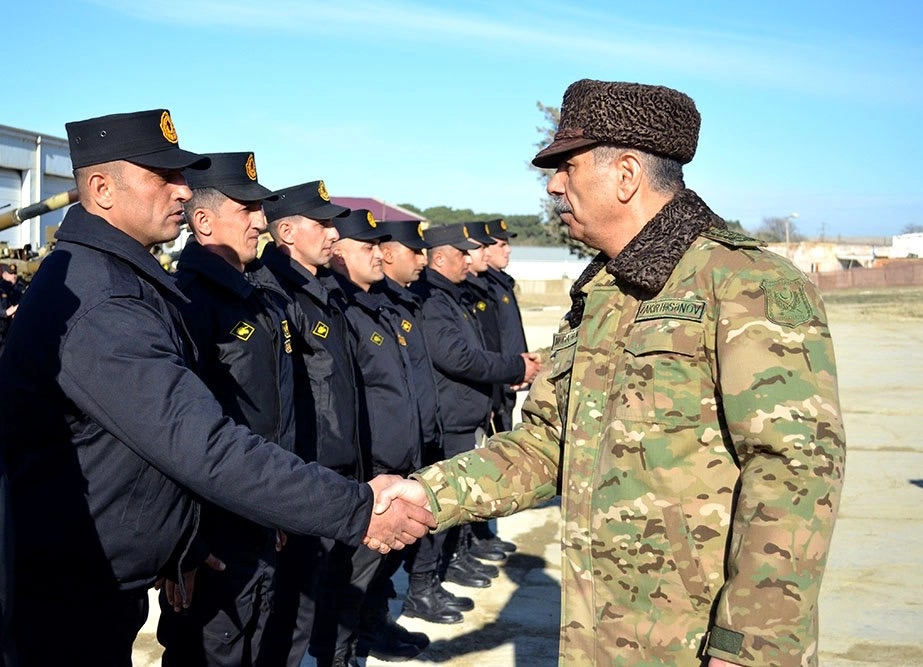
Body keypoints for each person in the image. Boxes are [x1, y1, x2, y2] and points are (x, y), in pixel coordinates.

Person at [378, 79, 846, 666]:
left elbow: (795, 470)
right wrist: (425, 492)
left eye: (566, 167)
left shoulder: (746, 283)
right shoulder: (602, 293)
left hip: (701, 644)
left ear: (626, 175)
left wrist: (749, 645)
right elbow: (550, 443)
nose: (552, 184)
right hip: (602, 638)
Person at [0, 109, 432, 667]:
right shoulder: (104, 303)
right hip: (71, 592)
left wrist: (182, 537)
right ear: (102, 189)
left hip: (105, 580)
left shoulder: (123, 283)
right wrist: (358, 508)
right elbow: (198, 442)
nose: (183, 190)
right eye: (164, 177)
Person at [156, 151, 293, 665]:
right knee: (212, 650)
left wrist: (278, 500)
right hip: (213, 532)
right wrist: (185, 539)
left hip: (257, 510)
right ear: (204, 220)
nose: (262, 221)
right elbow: (171, 432)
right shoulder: (188, 301)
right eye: (248, 210)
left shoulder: (252, 295)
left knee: (254, 641)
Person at [358, 221, 473, 653]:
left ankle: (375, 622)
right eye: (414, 251)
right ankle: (357, 638)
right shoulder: (359, 307)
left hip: (411, 448)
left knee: (390, 558)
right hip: (376, 461)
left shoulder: (398, 304)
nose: (422, 260)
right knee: (362, 565)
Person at [409, 223, 541, 590]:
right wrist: (515, 367)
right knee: (443, 501)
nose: (469, 260)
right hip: (451, 417)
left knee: (464, 497)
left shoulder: (456, 294)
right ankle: (424, 585)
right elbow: (459, 357)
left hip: (470, 411)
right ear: (439, 257)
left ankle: (456, 558)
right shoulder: (433, 300)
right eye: (462, 254)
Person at [322, 210, 427, 665]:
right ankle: (342, 652)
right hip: (369, 466)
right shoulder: (342, 309)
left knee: (379, 570)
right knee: (352, 574)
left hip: (397, 460)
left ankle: (372, 627)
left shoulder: (378, 304)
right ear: (339, 255)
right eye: (367, 247)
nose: (378, 254)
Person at [0, 263, 26, 353]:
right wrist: (5, 313)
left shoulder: (20, 286)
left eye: (15, 273)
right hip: (3, 330)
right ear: (4, 274)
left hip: (17, 327)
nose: (14, 275)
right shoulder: (1, 289)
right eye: (11, 273)